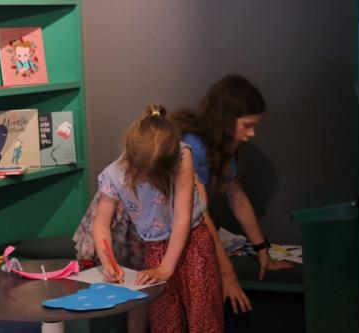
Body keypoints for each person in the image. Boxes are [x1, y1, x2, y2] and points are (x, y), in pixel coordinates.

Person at [90, 104, 223, 332]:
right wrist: (108, 263)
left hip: (193, 243)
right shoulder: (113, 175)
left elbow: (182, 217)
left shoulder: (182, 155)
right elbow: (101, 224)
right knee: (164, 322)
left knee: (204, 319)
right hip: (155, 248)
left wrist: (166, 269)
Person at [171, 74, 293, 311]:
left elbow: (238, 200)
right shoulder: (192, 149)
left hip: (188, 224)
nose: (251, 134)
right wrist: (227, 275)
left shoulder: (225, 150)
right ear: (226, 120)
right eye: (247, 126)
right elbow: (200, 216)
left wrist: (262, 250)